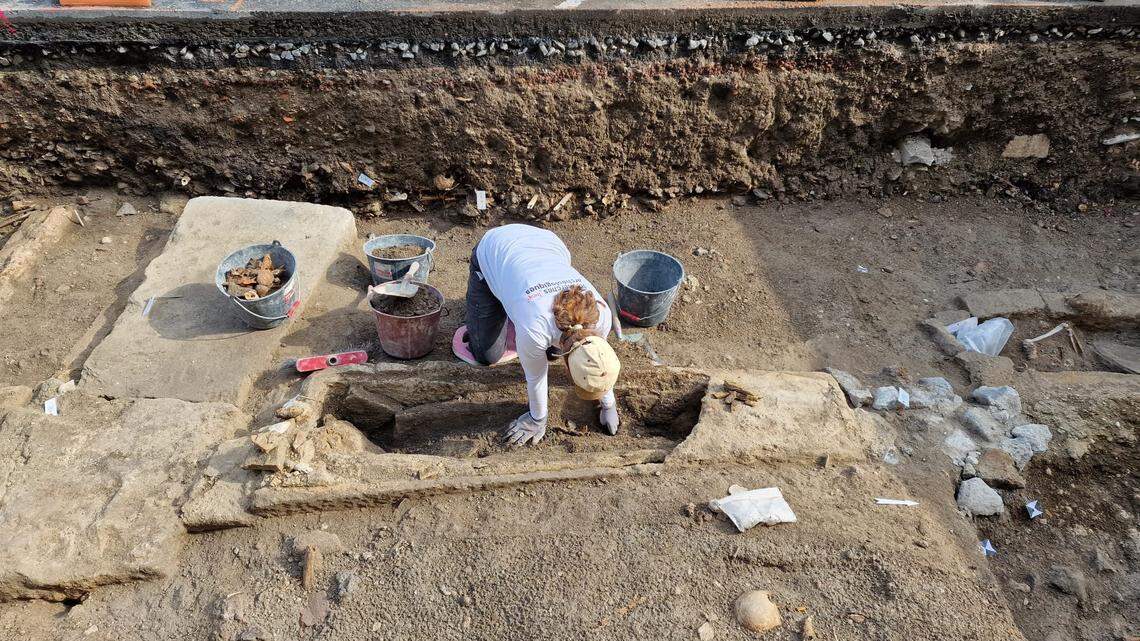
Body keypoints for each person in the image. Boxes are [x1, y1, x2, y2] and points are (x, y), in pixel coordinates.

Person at [459, 224, 621, 446]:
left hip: (546, 247)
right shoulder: (537, 329)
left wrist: (609, 404)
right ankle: (499, 308)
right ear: (567, 367)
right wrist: (537, 419)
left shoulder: (601, 317)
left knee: (549, 350)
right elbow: (536, 377)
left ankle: (515, 305)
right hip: (497, 248)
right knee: (486, 354)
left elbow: (600, 364)